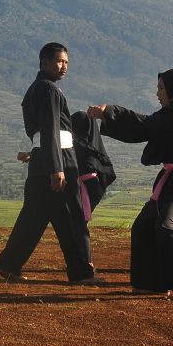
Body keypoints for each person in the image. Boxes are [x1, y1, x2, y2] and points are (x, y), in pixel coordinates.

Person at [89, 68, 173, 301]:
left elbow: (143, 125)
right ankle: (150, 284)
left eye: (161, 88)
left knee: (167, 227)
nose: (158, 93)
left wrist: (110, 112)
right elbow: (144, 129)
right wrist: (109, 117)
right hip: (171, 180)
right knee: (143, 227)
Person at [0, 42, 95, 285]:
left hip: (42, 160)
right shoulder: (49, 90)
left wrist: (39, 155)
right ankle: (81, 273)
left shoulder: (33, 89)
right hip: (58, 161)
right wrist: (56, 167)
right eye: (59, 61)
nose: (64, 67)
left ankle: (7, 265)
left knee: (34, 217)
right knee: (70, 217)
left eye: (67, 62)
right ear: (44, 63)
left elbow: (38, 132)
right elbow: (50, 128)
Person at [70, 110, 116, 276]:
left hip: (86, 188)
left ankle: (86, 263)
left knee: (79, 224)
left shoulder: (80, 146)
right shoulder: (93, 146)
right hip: (93, 187)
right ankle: (83, 260)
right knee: (79, 223)